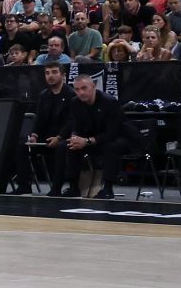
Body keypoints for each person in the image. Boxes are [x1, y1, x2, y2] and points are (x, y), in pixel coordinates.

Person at [52, 73, 123, 198]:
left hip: (113, 138)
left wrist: (87, 141)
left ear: (94, 86)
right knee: (66, 145)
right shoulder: (75, 102)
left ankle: (108, 188)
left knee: (111, 147)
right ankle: (72, 187)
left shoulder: (109, 102)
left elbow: (113, 132)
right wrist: (75, 137)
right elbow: (75, 125)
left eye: (84, 88)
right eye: (77, 89)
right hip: (89, 139)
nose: (81, 93)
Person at [8, 63, 73, 193]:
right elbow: (40, 119)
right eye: (47, 73)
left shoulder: (71, 94)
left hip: (65, 137)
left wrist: (59, 137)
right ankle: (24, 186)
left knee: (61, 147)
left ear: (63, 75)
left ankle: (56, 188)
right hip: (46, 137)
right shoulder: (44, 95)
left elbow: (71, 121)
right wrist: (34, 135)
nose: (50, 76)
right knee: (21, 146)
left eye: (54, 72)